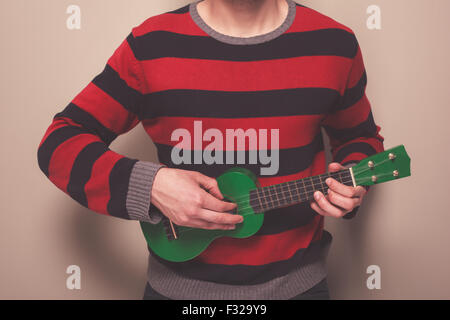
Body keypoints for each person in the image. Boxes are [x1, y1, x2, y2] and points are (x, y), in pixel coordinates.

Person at [37, 0, 384, 300]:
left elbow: (360, 138)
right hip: (178, 292)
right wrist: (152, 185)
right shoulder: (150, 45)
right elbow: (59, 143)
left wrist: (353, 178)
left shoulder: (335, 43)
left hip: (301, 288)